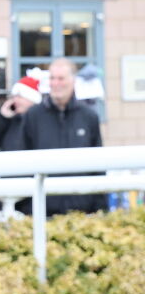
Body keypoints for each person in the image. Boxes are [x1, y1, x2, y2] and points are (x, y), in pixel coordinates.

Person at [21, 58, 107, 215]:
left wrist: (99, 206)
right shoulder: (33, 116)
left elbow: (98, 164)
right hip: (42, 210)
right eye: (52, 78)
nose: (56, 83)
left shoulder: (89, 116)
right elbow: (23, 161)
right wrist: (27, 207)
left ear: (73, 80)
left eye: (61, 78)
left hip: (82, 210)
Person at [0, 76, 41, 152]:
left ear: (32, 100)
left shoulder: (40, 120)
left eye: (20, 97)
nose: (15, 100)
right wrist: (2, 117)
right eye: (14, 96)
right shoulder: (10, 119)